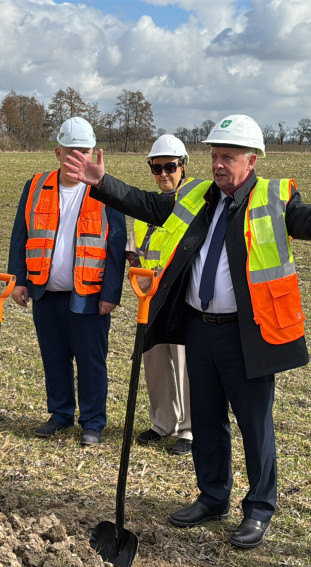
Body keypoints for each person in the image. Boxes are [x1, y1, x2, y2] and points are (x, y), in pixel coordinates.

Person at [63, 114, 311, 548]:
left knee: (253, 423)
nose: (218, 164)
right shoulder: (196, 196)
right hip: (199, 328)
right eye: (214, 156)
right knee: (206, 419)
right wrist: (102, 182)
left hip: (247, 333)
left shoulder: (274, 197)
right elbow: (148, 205)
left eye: (228, 157)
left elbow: (309, 222)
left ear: (252, 159)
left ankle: (260, 508)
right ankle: (212, 496)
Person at [7, 116, 127, 447]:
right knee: (54, 357)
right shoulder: (35, 186)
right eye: (71, 151)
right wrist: (19, 280)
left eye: (84, 151)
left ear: (94, 153)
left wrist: (111, 293)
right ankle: (60, 414)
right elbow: (21, 235)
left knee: (91, 362)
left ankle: (92, 421)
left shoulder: (106, 190)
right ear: (57, 153)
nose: (77, 158)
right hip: (45, 292)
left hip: (88, 294)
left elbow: (116, 245)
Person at [127, 134, 199, 456]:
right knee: (155, 364)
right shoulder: (145, 212)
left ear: (183, 166)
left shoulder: (197, 204)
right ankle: (162, 423)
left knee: (184, 366)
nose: (164, 174)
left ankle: (189, 430)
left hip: (182, 301)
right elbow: (135, 254)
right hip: (150, 301)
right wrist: (137, 276)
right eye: (157, 169)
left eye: (170, 167)